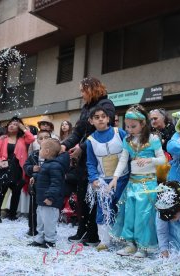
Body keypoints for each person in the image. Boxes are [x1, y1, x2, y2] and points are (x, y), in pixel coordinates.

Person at [61, 77, 115, 245]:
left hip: (100, 157)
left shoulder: (107, 105)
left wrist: (81, 148)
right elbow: (77, 132)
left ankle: (94, 234)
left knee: (95, 195)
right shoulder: (85, 108)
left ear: (91, 89)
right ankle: (82, 230)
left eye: (82, 91)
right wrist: (63, 145)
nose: (81, 94)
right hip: (85, 158)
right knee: (83, 195)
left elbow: (101, 132)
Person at [110, 104, 166, 258]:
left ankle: (143, 246)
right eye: (127, 126)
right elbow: (123, 160)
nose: (129, 129)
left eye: (133, 126)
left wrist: (149, 160)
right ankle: (129, 244)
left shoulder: (153, 139)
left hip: (148, 183)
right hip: (132, 183)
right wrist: (115, 178)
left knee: (143, 215)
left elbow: (162, 160)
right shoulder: (127, 140)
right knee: (129, 213)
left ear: (143, 123)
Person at [86, 106, 129, 250]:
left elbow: (130, 153)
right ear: (91, 121)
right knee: (103, 209)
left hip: (124, 179)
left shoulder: (120, 133)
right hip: (104, 182)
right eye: (96, 117)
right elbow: (91, 162)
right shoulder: (90, 141)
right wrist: (93, 179)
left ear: (108, 118)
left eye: (103, 116)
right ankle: (104, 241)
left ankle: (126, 241)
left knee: (124, 209)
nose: (100, 119)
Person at [28, 139, 70, 248]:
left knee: (49, 222)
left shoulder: (55, 166)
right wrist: (35, 177)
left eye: (41, 148)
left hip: (50, 201)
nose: (39, 151)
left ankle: (50, 241)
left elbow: (56, 184)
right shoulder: (48, 164)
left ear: (46, 151)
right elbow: (44, 176)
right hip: (42, 200)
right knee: (41, 220)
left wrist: (50, 197)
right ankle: (40, 238)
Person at [0, 117, 35, 223]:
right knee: (1, 191)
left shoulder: (23, 139)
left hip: (18, 168)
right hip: (4, 167)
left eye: (15, 124)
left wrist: (23, 128)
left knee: (16, 192)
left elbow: (32, 139)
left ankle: (12, 214)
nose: (11, 125)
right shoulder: (3, 138)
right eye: (10, 124)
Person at [24, 130, 51, 236]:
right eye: (41, 138)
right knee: (34, 208)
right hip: (35, 185)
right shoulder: (34, 154)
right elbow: (25, 166)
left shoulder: (55, 154)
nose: (44, 140)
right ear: (37, 141)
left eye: (46, 137)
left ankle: (48, 230)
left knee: (48, 209)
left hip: (49, 185)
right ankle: (33, 228)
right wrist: (32, 168)